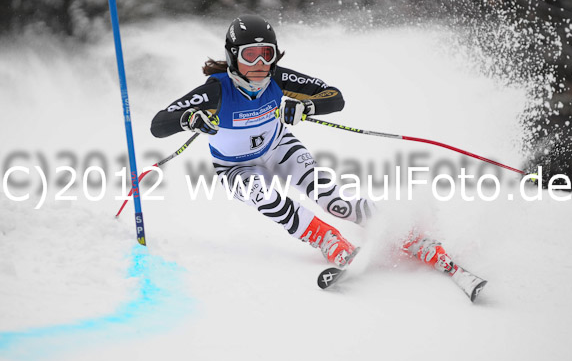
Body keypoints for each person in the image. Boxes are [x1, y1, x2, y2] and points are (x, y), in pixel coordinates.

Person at [150, 15, 486, 299]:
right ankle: (327, 239)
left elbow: (334, 97)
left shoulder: (277, 79)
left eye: (266, 55)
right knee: (267, 197)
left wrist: (306, 106)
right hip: (235, 166)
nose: (259, 65)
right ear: (233, 55)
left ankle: (407, 234)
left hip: (280, 148)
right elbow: (158, 124)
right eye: (249, 55)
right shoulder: (215, 90)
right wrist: (189, 118)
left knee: (331, 198)